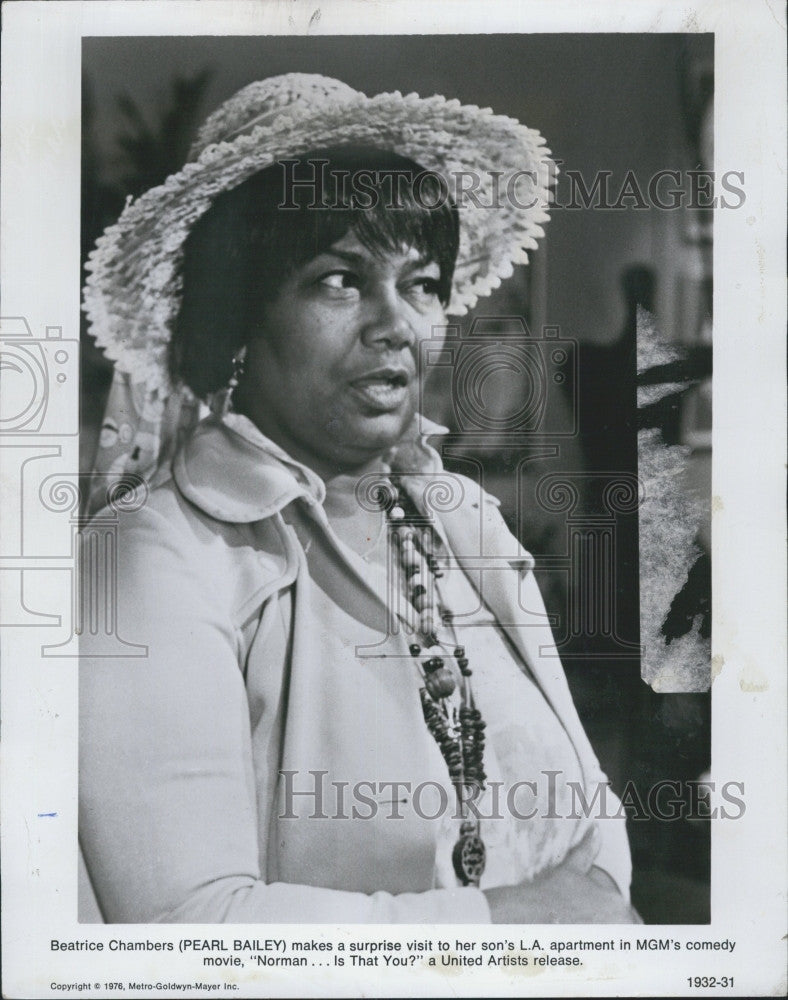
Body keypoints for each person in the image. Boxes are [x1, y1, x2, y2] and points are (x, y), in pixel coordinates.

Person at [79, 73, 637, 924]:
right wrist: (518, 925)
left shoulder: (461, 520)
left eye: (422, 283)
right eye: (340, 279)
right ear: (236, 313)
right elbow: (182, 925)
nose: (398, 325)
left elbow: (594, 839)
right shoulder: (154, 554)